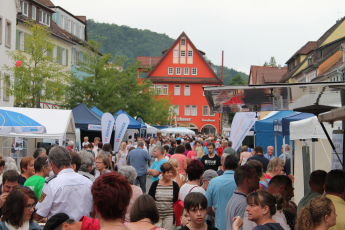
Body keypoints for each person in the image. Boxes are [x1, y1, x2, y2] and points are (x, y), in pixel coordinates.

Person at [35, 146, 93, 221]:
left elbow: (39, 214)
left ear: (52, 164)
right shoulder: (88, 182)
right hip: (83, 227)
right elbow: (92, 212)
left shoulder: (51, 184)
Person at [205, 154, 237, 230]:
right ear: (237, 167)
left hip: (220, 226)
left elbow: (207, 208)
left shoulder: (213, 182)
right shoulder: (242, 182)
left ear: (224, 167)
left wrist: (216, 213)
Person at [226, 164, 260, 230]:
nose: (258, 179)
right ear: (247, 180)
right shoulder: (244, 203)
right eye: (255, 177)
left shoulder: (234, 198)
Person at [148, 163, 179, 230]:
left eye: (171, 172)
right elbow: (150, 199)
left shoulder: (175, 186)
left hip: (169, 215)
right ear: (162, 173)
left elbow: (176, 202)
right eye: (168, 172)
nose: (170, 174)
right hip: (157, 215)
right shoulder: (155, 184)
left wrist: (176, 217)